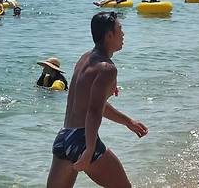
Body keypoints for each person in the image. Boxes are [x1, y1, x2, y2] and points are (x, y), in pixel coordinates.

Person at [46, 12, 148, 187]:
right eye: (120, 29)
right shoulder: (107, 69)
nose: (123, 34)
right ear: (109, 35)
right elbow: (94, 111)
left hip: (64, 137)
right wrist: (89, 149)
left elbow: (92, 104)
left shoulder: (84, 58)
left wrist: (127, 121)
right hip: (81, 140)